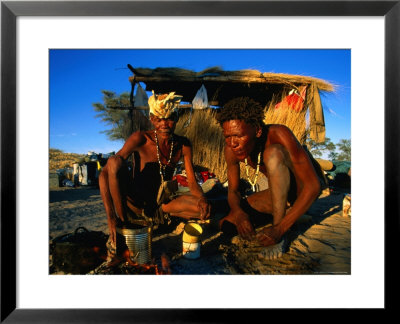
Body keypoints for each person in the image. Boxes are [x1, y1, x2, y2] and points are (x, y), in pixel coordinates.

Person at [99, 91, 211, 261]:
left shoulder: (183, 145)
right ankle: (123, 225)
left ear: (177, 117)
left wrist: (202, 198)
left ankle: (158, 221)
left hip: (159, 206)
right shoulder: (140, 138)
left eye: (169, 118)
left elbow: (193, 184)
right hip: (132, 206)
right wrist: (111, 218)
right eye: (159, 119)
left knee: (202, 208)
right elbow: (105, 173)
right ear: (151, 119)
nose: (164, 124)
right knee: (114, 161)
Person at [216, 97, 326, 259]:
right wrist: (239, 214)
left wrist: (279, 229)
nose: (233, 143)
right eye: (228, 136)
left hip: (303, 190)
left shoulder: (279, 134)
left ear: (257, 131)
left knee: (272, 154)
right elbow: (233, 190)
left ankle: (281, 228)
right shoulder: (230, 150)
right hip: (279, 194)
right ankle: (293, 215)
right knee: (228, 224)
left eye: (238, 136)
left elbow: (313, 185)